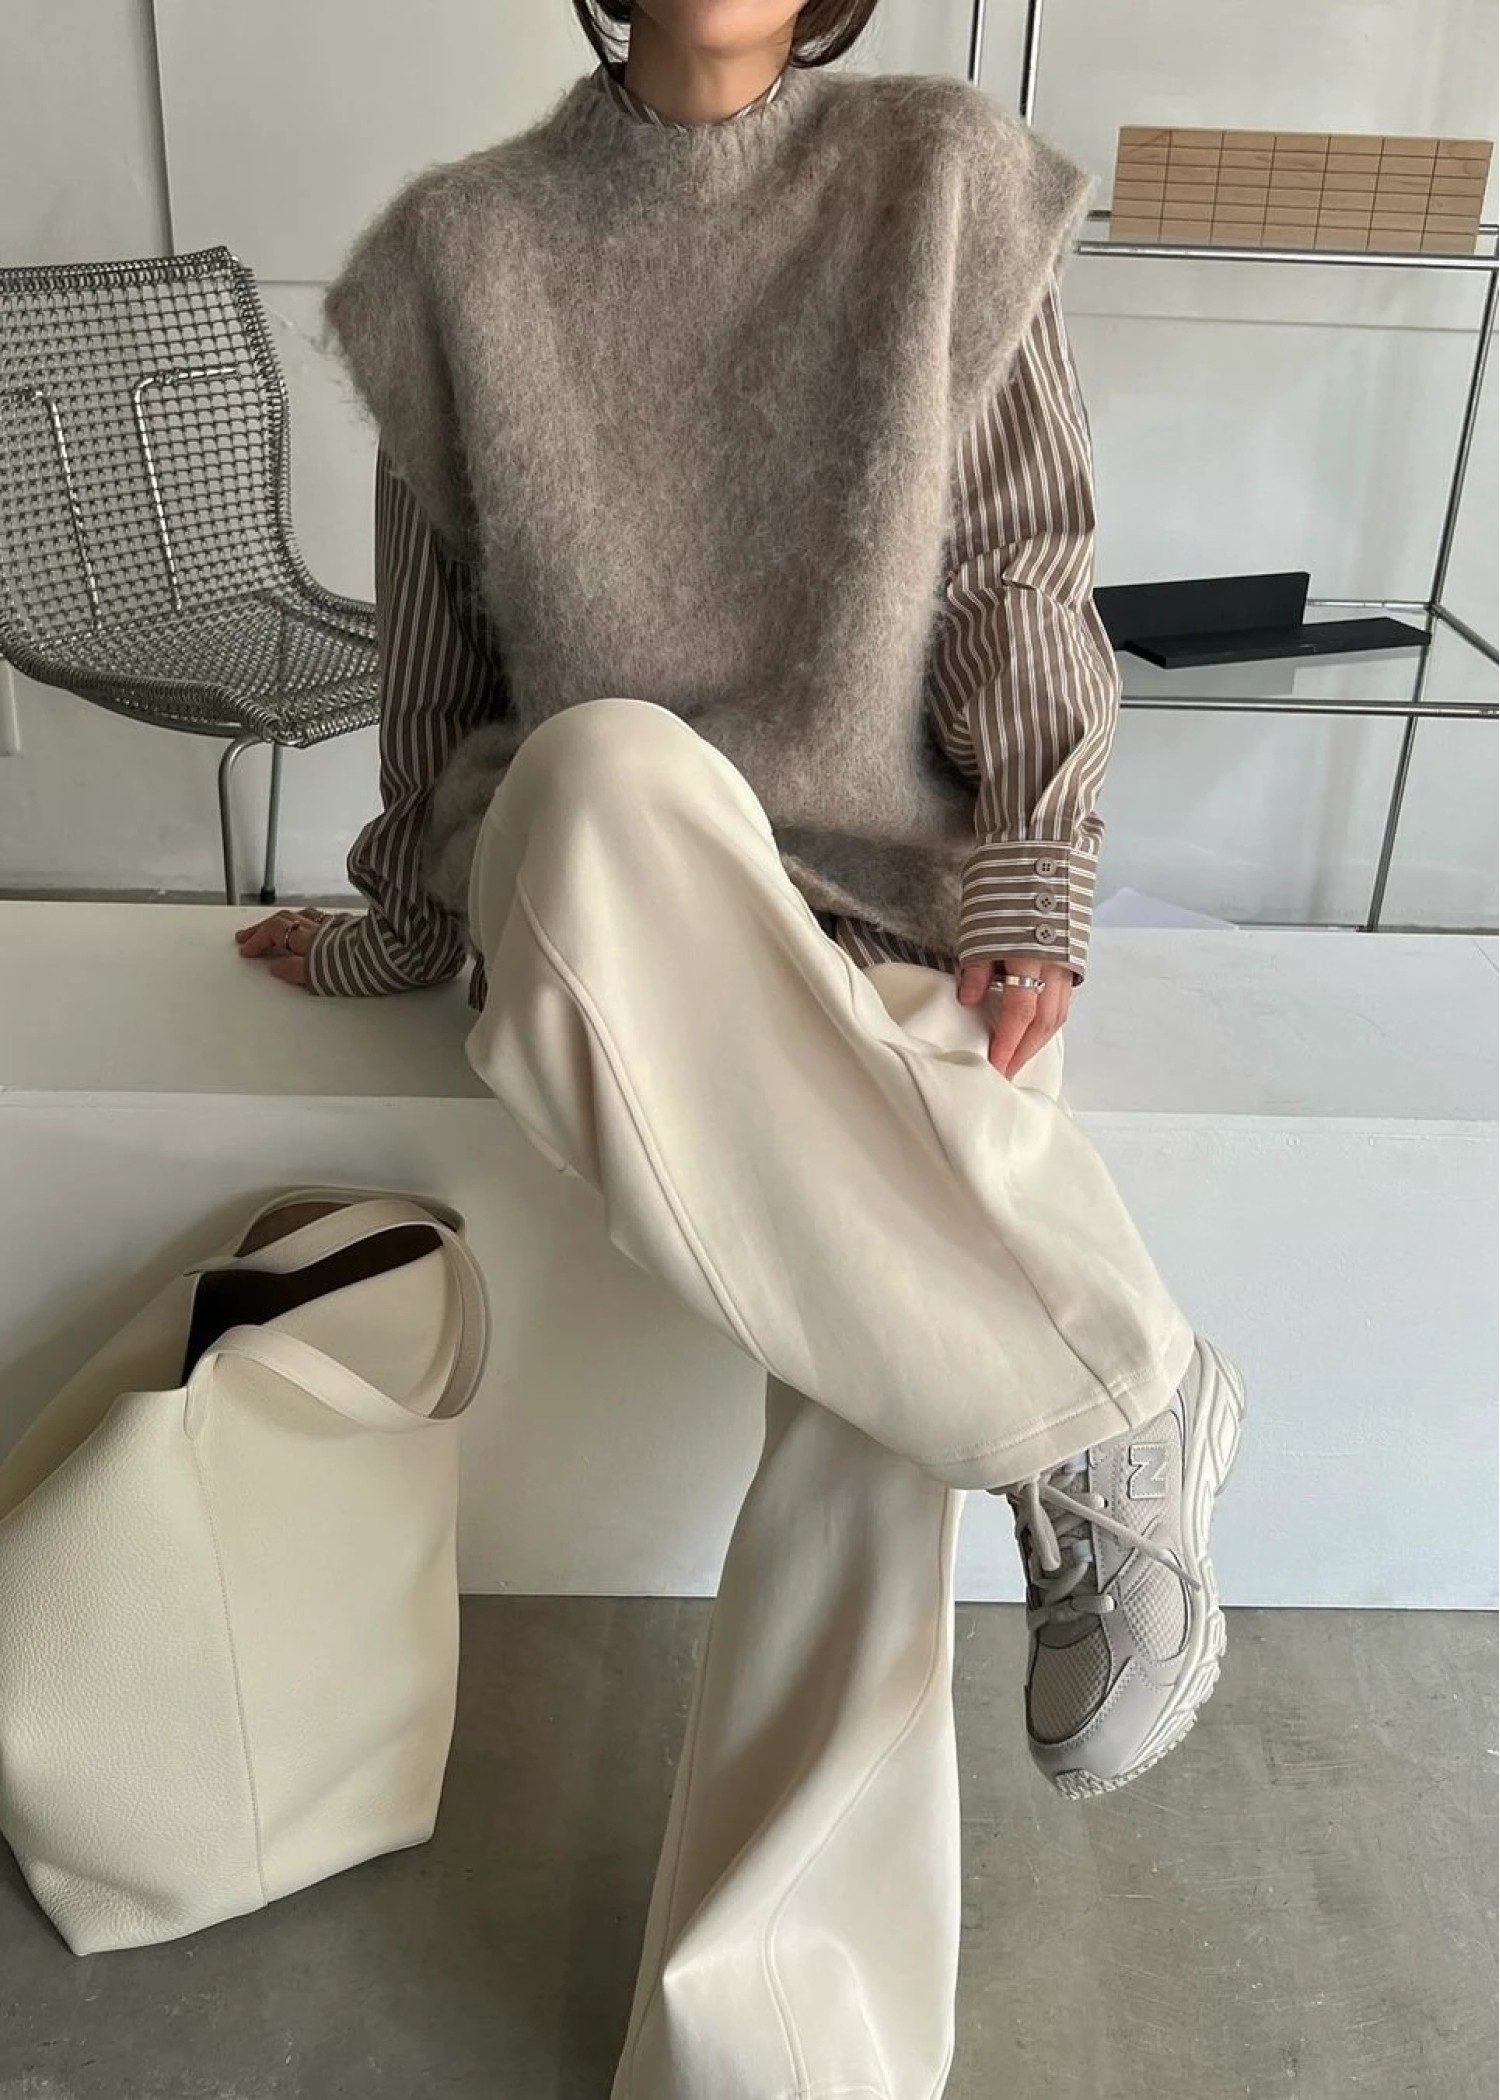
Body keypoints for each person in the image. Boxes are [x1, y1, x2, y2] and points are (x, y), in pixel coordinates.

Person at [236, 4, 1247, 2092]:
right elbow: (441, 694)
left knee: (870, 1421)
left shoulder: (939, 180)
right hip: (617, 914)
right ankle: (1107, 1402)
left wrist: (1034, 861)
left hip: (891, 923)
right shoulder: (462, 256)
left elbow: (1015, 571)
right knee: (603, 767)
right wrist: (399, 925)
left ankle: (779, 2062)